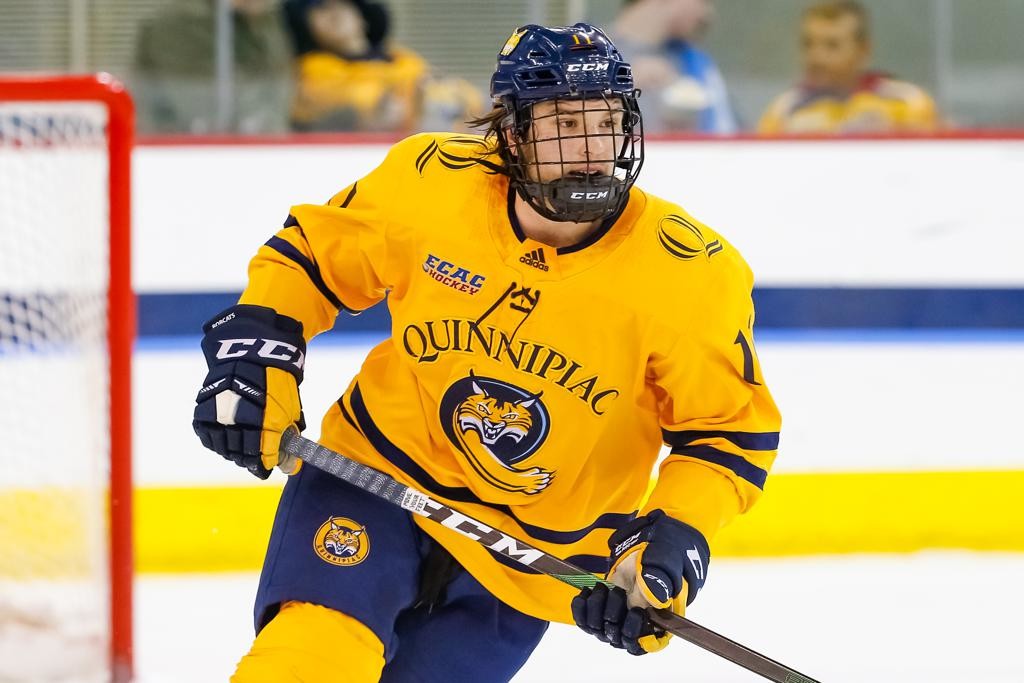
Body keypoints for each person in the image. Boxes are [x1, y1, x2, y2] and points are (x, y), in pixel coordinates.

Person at [193, 22, 780, 681]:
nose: (590, 151)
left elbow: (727, 434)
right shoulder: (430, 184)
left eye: (606, 122)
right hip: (375, 477)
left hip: (529, 556)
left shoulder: (691, 273)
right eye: (563, 124)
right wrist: (259, 354)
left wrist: (673, 536)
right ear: (511, 134)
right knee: (307, 659)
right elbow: (311, 257)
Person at [758, 0, 939, 135]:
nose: (816, 57)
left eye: (832, 45)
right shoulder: (783, 112)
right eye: (808, 44)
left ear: (863, 51)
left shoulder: (907, 102)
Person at [133, 0, 293, 134]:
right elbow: (209, 108)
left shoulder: (260, 14)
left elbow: (280, 80)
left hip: (258, 151)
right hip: (180, 155)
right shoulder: (185, 19)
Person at [284, 0, 427, 132]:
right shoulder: (307, 73)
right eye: (321, 9)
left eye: (343, 5)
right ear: (309, 28)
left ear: (362, 18)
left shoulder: (409, 64)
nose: (334, 13)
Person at [613, 0, 738, 134]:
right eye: (703, 2)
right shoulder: (591, 55)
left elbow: (728, 138)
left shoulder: (697, 64)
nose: (707, 15)